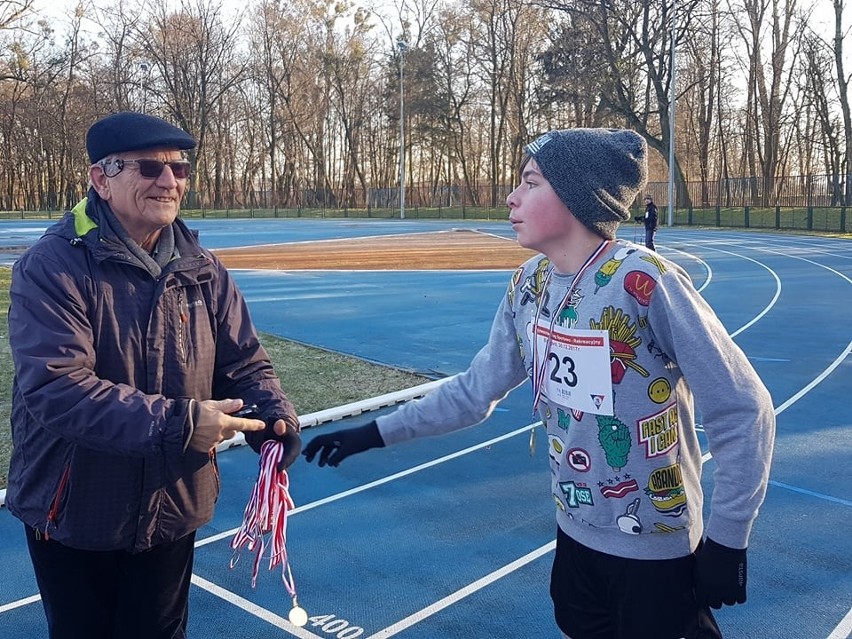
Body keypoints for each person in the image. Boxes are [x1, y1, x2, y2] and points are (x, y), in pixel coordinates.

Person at [302, 128, 776, 639]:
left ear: (577, 197)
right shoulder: (529, 284)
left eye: (530, 182)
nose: (512, 196)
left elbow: (744, 408)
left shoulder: (645, 283)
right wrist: (373, 433)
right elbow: (473, 390)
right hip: (575, 539)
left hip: (656, 549)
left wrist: (728, 539)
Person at [6, 111, 302, 639]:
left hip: (172, 507)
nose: (169, 181)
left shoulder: (204, 269)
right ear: (102, 178)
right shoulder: (51, 268)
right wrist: (182, 424)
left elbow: (245, 362)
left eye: (180, 169)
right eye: (149, 167)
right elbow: (59, 388)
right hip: (77, 512)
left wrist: (272, 415)